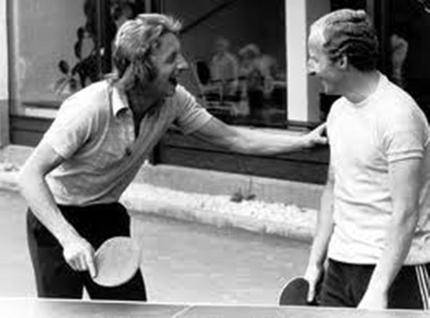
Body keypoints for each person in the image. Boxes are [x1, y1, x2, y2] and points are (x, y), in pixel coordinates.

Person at [18, 13, 327, 301]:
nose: (182, 64)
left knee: (130, 313)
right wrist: (69, 238)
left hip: (106, 216)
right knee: (60, 313)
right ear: (140, 67)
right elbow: (30, 175)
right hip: (55, 219)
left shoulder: (174, 101)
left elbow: (234, 138)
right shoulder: (89, 109)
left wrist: (303, 142)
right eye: (170, 58)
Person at [303, 9, 430, 310]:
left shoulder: (399, 116)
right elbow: (333, 189)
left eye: (315, 58)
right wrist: (313, 264)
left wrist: (377, 289)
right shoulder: (338, 112)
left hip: (400, 271)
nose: (309, 68)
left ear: (343, 61)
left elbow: (406, 211)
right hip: (341, 266)